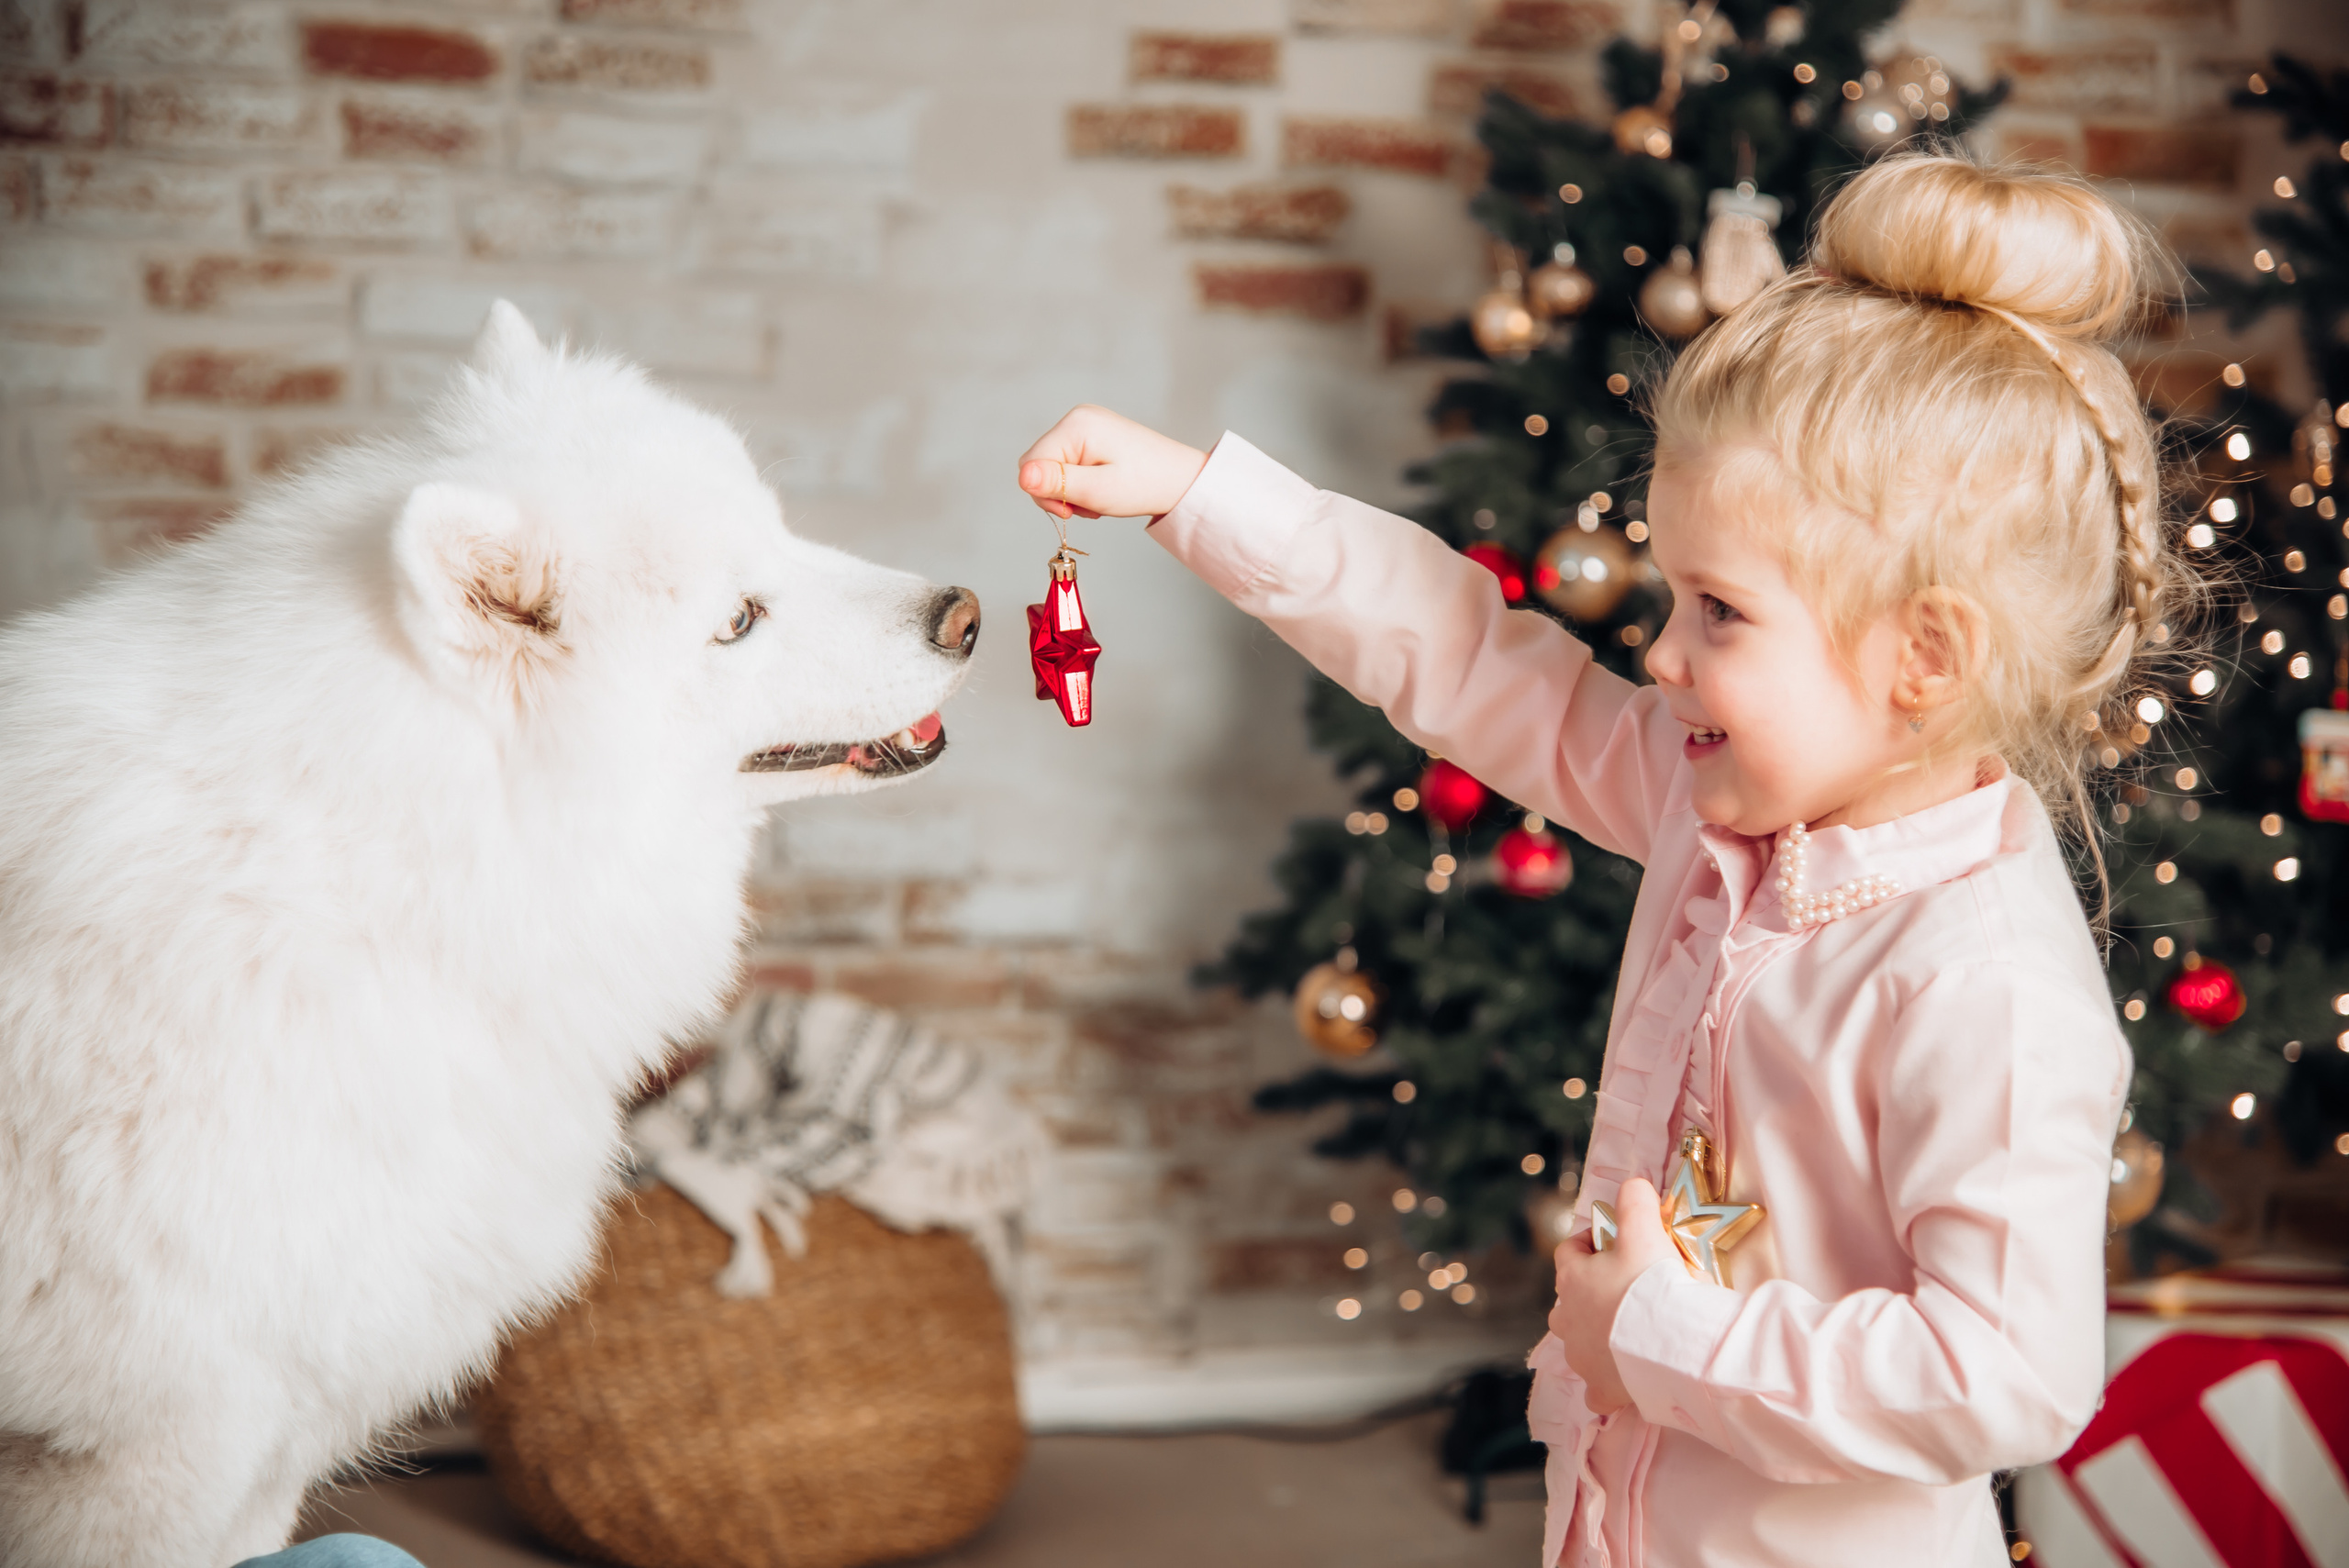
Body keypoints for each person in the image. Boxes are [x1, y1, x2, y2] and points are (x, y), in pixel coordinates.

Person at [1013, 151, 2185, 1567]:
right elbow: (1465, 659)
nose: (1661, 652)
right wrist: (1196, 493)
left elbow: (2010, 1373)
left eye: (1720, 612)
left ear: (1923, 655)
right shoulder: (1719, 807)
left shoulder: (1983, 987)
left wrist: (1664, 1328)